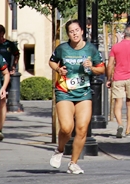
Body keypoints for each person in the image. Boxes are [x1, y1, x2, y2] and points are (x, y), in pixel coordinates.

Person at [49, 19, 105, 175]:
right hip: (65, 90)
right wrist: (59, 69)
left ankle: (73, 163)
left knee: (81, 129)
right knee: (67, 127)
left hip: (83, 92)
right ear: (68, 34)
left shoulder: (91, 49)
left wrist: (91, 67)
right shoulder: (62, 49)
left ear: (82, 31)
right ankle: (60, 149)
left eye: (76, 30)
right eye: (71, 31)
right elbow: (52, 62)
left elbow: (102, 69)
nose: (74, 33)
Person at [107, 26, 130, 138]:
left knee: (118, 103)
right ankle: (128, 130)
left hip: (118, 77)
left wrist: (109, 78)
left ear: (123, 34)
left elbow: (110, 65)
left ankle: (120, 124)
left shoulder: (115, 47)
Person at [0, 25, 19, 142]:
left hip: (4, 76)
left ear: (2, 33)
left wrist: (13, 66)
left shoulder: (9, 45)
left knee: (2, 102)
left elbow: (16, 54)